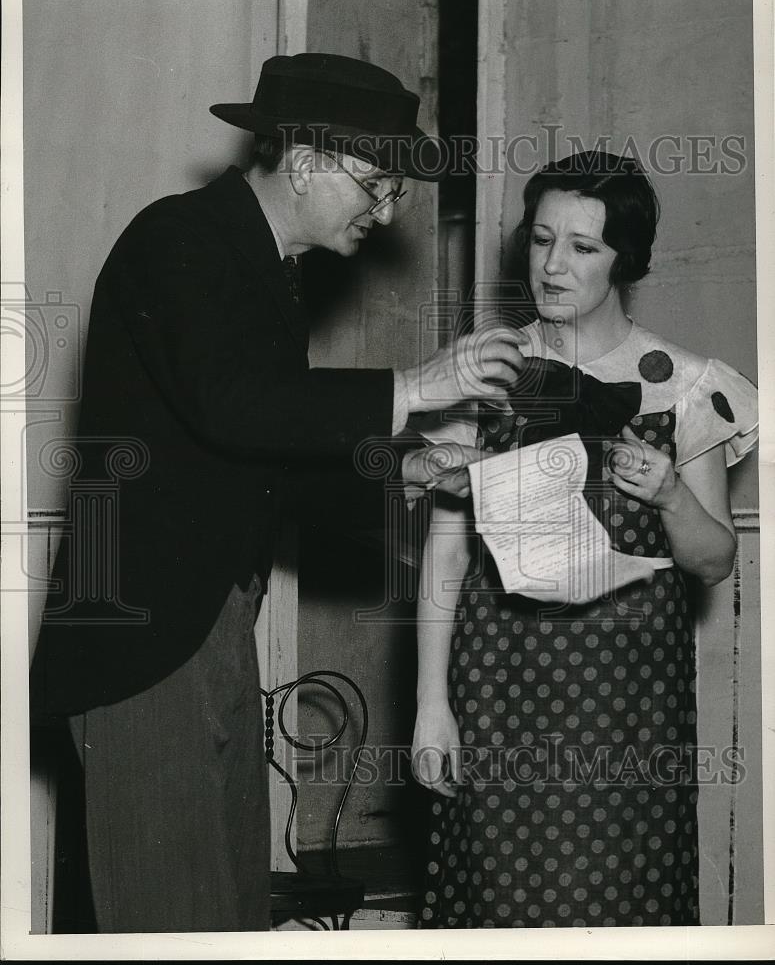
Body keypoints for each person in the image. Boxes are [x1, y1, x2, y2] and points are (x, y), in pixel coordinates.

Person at [29, 52, 527, 933]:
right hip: (144, 636)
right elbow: (233, 405)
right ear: (303, 162)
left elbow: (263, 455)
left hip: (208, 624)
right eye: (375, 181)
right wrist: (416, 385)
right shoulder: (177, 238)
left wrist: (402, 468)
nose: (388, 207)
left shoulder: (267, 271)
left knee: (222, 914)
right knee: (167, 922)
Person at [411, 151, 758, 928]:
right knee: (497, 905)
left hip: (627, 707)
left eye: (582, 246)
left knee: (616, 905)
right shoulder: (484, 371)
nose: (552, 266)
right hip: (497, 686)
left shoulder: (689, 384)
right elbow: (445, 549)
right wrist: (432, 705)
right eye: (540, 241)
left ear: (623, 260)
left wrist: (669, 492)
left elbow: (711, 564)